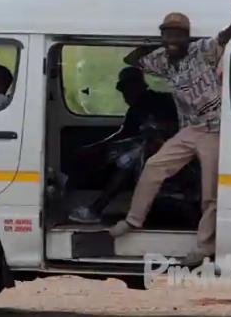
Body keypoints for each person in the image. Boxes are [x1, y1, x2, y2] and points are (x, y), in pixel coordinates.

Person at [109, 0, 231, 266]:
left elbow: (223, 37)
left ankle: (203, 247)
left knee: (210, 193)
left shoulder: (201, 50)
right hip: (190, 129)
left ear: (187, 37)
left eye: (177, 35)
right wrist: (150, 41)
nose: (172, 40)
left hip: (214, 129)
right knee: (153, 166)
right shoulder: (160, 59)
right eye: (167, 35)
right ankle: (133, 220)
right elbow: (131, 60)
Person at [69, 67, 178, 224]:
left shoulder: (162, 101)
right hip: (146, 148)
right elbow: (124, 133)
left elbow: (178, 125)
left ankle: (96, 209)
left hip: (169, 148)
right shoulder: (135, 110)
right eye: (123, 91)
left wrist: (159, 128)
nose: (125, 95)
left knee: (128, 159)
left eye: (127, 89)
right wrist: (96, 147)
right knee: (112, 154)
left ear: (138, 86)